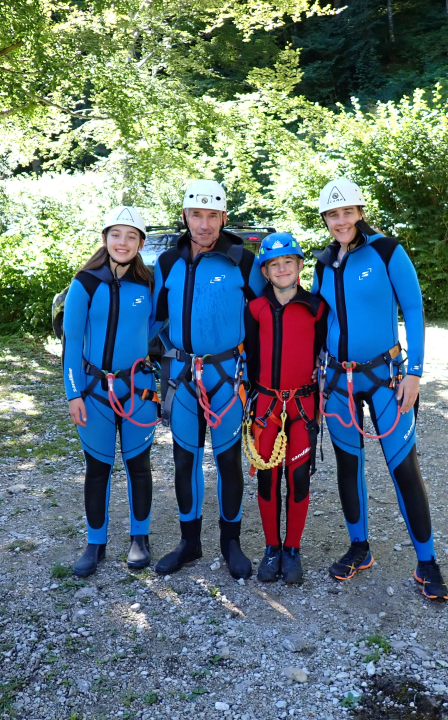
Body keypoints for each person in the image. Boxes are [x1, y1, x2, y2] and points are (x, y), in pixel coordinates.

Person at [311, 178, 448, 600]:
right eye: (332, 215)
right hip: (337, 380)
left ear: (360, 211)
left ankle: (427, 562)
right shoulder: (323, 262)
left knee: (403, 467)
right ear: (325, 219)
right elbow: (320, 323)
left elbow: (414, 309)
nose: (340, 221)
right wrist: (317, 375)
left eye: (347, 212)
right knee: (348, 466)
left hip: (388, 377)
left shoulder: (388, 251)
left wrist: (416, 373)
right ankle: (359, 548)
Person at [152, 179, 266, 578]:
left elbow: (265, 318)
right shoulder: (167, 263)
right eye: (196, 215)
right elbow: (152, 320)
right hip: (182, 376)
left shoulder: (242, 261)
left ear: (223, 218)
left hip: (228, 375)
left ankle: (230, 543)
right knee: (184, 460)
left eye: (212, 215)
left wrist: (257, 377)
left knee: (228, 460)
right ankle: (189, 542)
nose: (204, 224)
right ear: (184, 216)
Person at [62, 206, 162, 577]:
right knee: (98, 468)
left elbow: (154, 328)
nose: (123, 242)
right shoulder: (84, 283)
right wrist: (73, 394)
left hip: (137, 390)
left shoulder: (147, 285)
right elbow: (72, 342)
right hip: (92, 393)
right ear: (105, 239)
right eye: (116, 235)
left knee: (139, 464)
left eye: (131, 236)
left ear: (139, 244)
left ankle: (140, 539)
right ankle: (95, 543)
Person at [243, 233, 326, 584]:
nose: (282, 269)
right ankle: (271, 547)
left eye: (288, 262)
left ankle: (293, 550)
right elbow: (248, 357)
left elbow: (323, 353)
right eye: (274, 264)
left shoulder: (316, 307)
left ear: (300, 265)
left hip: (303, 403)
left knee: (298, 478)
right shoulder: (255, 308)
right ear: (264, 270)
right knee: (267, 478)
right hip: (265, 404)